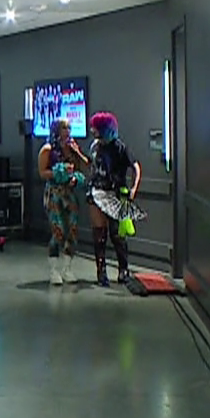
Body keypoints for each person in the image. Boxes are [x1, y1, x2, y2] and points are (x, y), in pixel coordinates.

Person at [86, 111, 142, 287]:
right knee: (99, 233)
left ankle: (123, 270)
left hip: (115, 194)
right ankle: (101, 271)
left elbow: (136, 167)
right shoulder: (95, 147)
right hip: (97, 191)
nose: (92, 131)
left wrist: (134, 188)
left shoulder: (120, 147)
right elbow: (92, 166)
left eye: (96, 128)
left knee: (117, 234)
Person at [38, 118, 89, 286]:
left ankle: (67, 268)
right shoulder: (48, 149)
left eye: (69, 128)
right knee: (58, 230)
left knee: (72, 230)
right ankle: (54, 270)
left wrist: (75, 175)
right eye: (64, 128)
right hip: (54, 193)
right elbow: (42, 172)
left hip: (69, 194)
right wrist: (59, 172)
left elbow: (85, 167)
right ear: (56, 130)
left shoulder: (72, 149)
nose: (67, 131)